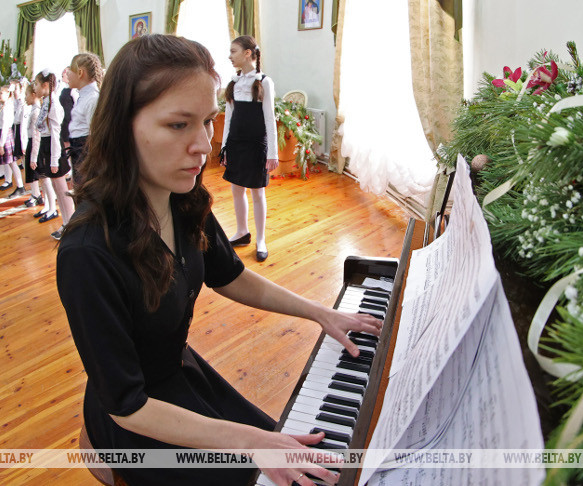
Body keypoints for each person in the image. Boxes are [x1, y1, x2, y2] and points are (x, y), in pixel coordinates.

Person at [56, 34, 380, 486]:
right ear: (123, 126)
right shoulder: (87, 253)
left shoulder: (184, 200)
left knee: (307, 464)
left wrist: (320, 313)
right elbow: (126, 405)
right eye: (178, 125)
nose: (205, 145)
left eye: (208, 121)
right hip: (138, 418)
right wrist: (248, 442)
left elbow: (230, 275)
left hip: (181, 376)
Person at [221, 35, 279, 262]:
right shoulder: (234, 83)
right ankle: (242, 231)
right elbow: (229, 118)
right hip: (236, 143)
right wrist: (225, 147)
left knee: (257, 191)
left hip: (256, 145)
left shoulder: (264, 82)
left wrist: (272, 153)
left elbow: (269, 120)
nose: (230, 56)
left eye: (233, 51)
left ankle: (261, 239)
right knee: (236, 189)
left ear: (247, 53)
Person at [31, 70, 73, 238]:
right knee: (57, 188)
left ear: (45, 85)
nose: (34, 87)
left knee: (62, 189)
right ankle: (66, 222)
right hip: (47, 146)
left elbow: (55, 134)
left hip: (54, 148)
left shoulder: (53, 105)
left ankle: (71, 223)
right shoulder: (46, 102)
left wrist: (55, 159)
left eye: (36, 84)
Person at [66, 53, 103, 186]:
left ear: (80, 72)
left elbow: (96, 137)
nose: (67, 73)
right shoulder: (82, 96)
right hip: (79, 154)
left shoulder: (92, 99)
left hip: (86, 157)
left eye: (70, 69)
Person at [0, 83, 27, 198]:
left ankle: (20, 186)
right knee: (11, 163)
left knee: (13, 163)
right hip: (4, 135)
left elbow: (5, 125)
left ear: (8, 93)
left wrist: (1, 144)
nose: (0, 95)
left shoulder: (8, 106)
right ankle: (19, 185)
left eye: (2, 93)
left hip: (6, 135)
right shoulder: (5, 105)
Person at [22, 84, 44, 208]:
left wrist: (34, 155)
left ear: (33, 95)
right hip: (31, 141)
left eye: (26, 95)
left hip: (34, 143)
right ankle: (35, 194)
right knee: (31, 172)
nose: (25, 98)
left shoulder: (36, 111)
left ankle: (37, 195)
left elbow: (36, 135)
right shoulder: (33, 110)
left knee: (36, 172)